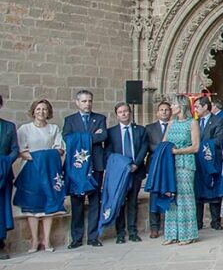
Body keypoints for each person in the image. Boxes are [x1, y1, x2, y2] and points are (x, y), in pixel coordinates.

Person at [14, 99, 64, 253]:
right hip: (31, 169)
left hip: (49, 170)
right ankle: (35, 240)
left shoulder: (53, 128)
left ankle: (46, 239)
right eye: (38, 109)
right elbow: (20, 150)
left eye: (44, 109)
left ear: (48, 112)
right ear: (33, 111)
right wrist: (39, 158)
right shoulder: (25, 129)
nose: (41, 112)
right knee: (32, 205)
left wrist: (44, 158)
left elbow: (60, 149)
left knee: (48, 203)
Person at [62, 89, 108, 248]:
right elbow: (67, 138)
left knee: (95, 201)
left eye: (89, 101)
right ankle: (76, 238)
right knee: (77, 202)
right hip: (78, 167)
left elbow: (103, 136)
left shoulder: (100, 118)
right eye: (84, 101)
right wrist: (91, 137)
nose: (87, 104)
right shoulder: (70, 120)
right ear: (77, 103)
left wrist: (81, 138)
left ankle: (93, 237)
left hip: (96, 165)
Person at [105, 103, 148, 244]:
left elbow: (144, 148)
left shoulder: (140, 130)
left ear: (130, 113)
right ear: (116, 115)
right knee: (120, 202)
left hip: (136, 171)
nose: (123, 114)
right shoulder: (111, 132)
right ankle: (120, 233)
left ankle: (133, 232)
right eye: (120, 112)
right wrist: (121, 166)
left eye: (125, 111)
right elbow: (109, 152)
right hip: (120, 173)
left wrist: (136, 164)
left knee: (133, 202)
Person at [163, 95, 200, 245]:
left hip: (185, 163)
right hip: (171, 164)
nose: (171, 107)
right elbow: (164, 142)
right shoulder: (171, 123)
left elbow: (195, 147)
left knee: (185, 198)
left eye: (174, 104)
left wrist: (177, 151)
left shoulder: (192, 123)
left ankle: (188, 234)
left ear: (182, 106)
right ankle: (172, 234)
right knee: (171, 196)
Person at [193, 96, 223, 230]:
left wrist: (201, 145)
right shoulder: (195, 122)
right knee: (198, 191)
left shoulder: (218, 121)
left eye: (197, 107)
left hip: (212, 160)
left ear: (205, 107)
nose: (195, 109)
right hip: (197, 161)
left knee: (214, 191)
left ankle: (216, 222)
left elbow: (219, 140)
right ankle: (198, 222)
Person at [145, 101, 172, 238]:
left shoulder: (174, 126)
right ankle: (154, 227)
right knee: (154, 196)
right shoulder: (149, 128)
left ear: (170, 112)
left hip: (170, 165)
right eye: (162, 109)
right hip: (155, 166)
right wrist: (163, 149)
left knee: (170, 194)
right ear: (157, 112)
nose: (164, 112)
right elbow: (147, 146)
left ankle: (169, 226)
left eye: (167, 109)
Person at [0, 94, 18, 259]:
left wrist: (4, 162)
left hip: (3, 174)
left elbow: (14, 149)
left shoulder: (8, 127)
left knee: (2, 209)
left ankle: (0, 244)